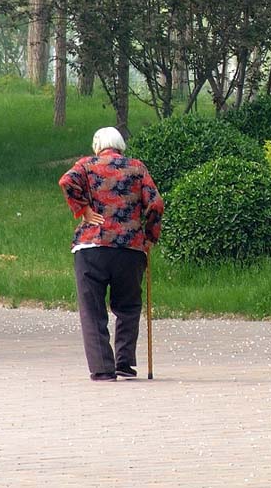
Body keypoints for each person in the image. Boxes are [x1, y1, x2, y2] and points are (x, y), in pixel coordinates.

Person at [59, 126, 164, 381]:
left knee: (92, 310)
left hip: (91, 247)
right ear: (120, 145)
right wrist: (149, 237)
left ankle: (102, 368)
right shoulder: (137, 168)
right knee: (128, 306)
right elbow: (156, 204)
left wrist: (83, 210)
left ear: (98, 145)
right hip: (129, 248)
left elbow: (66, 181)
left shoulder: (86, 165)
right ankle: (124, 364)